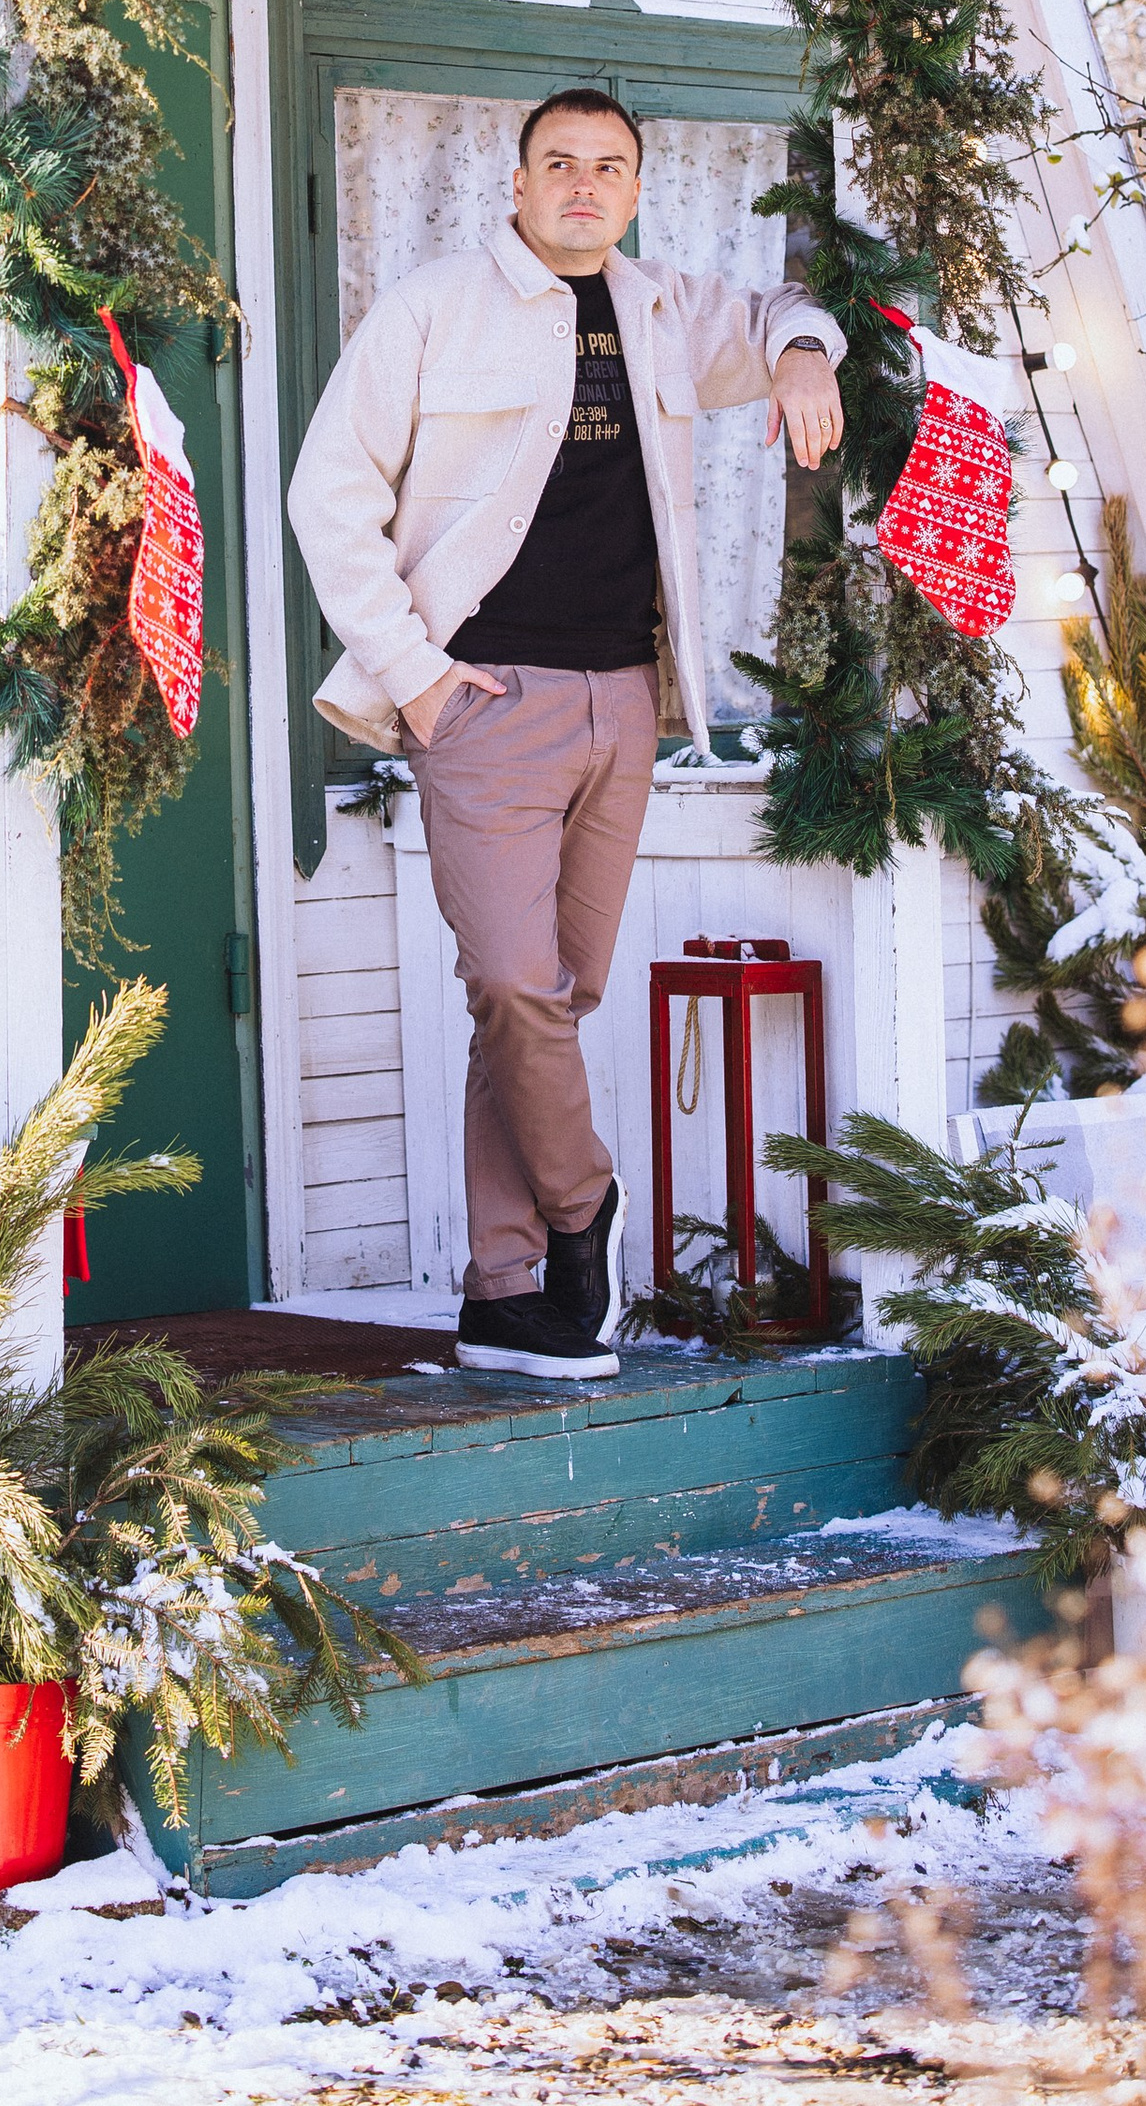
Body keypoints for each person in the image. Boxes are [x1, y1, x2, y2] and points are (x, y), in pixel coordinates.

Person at [287, 89, 845, 1381]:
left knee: (549, 999)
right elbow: (332, 494)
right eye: (561, 165)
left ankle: (504, 1291)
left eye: (609, 167)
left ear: (634, 189)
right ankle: (587, 1212)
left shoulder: (658, 309)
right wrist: (415, 677)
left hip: (625, 699)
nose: (584, 186)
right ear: (519, 180)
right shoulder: (435, 306)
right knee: (519, 988)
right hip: (483, 701)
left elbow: (774, 322)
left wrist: (807, 349)